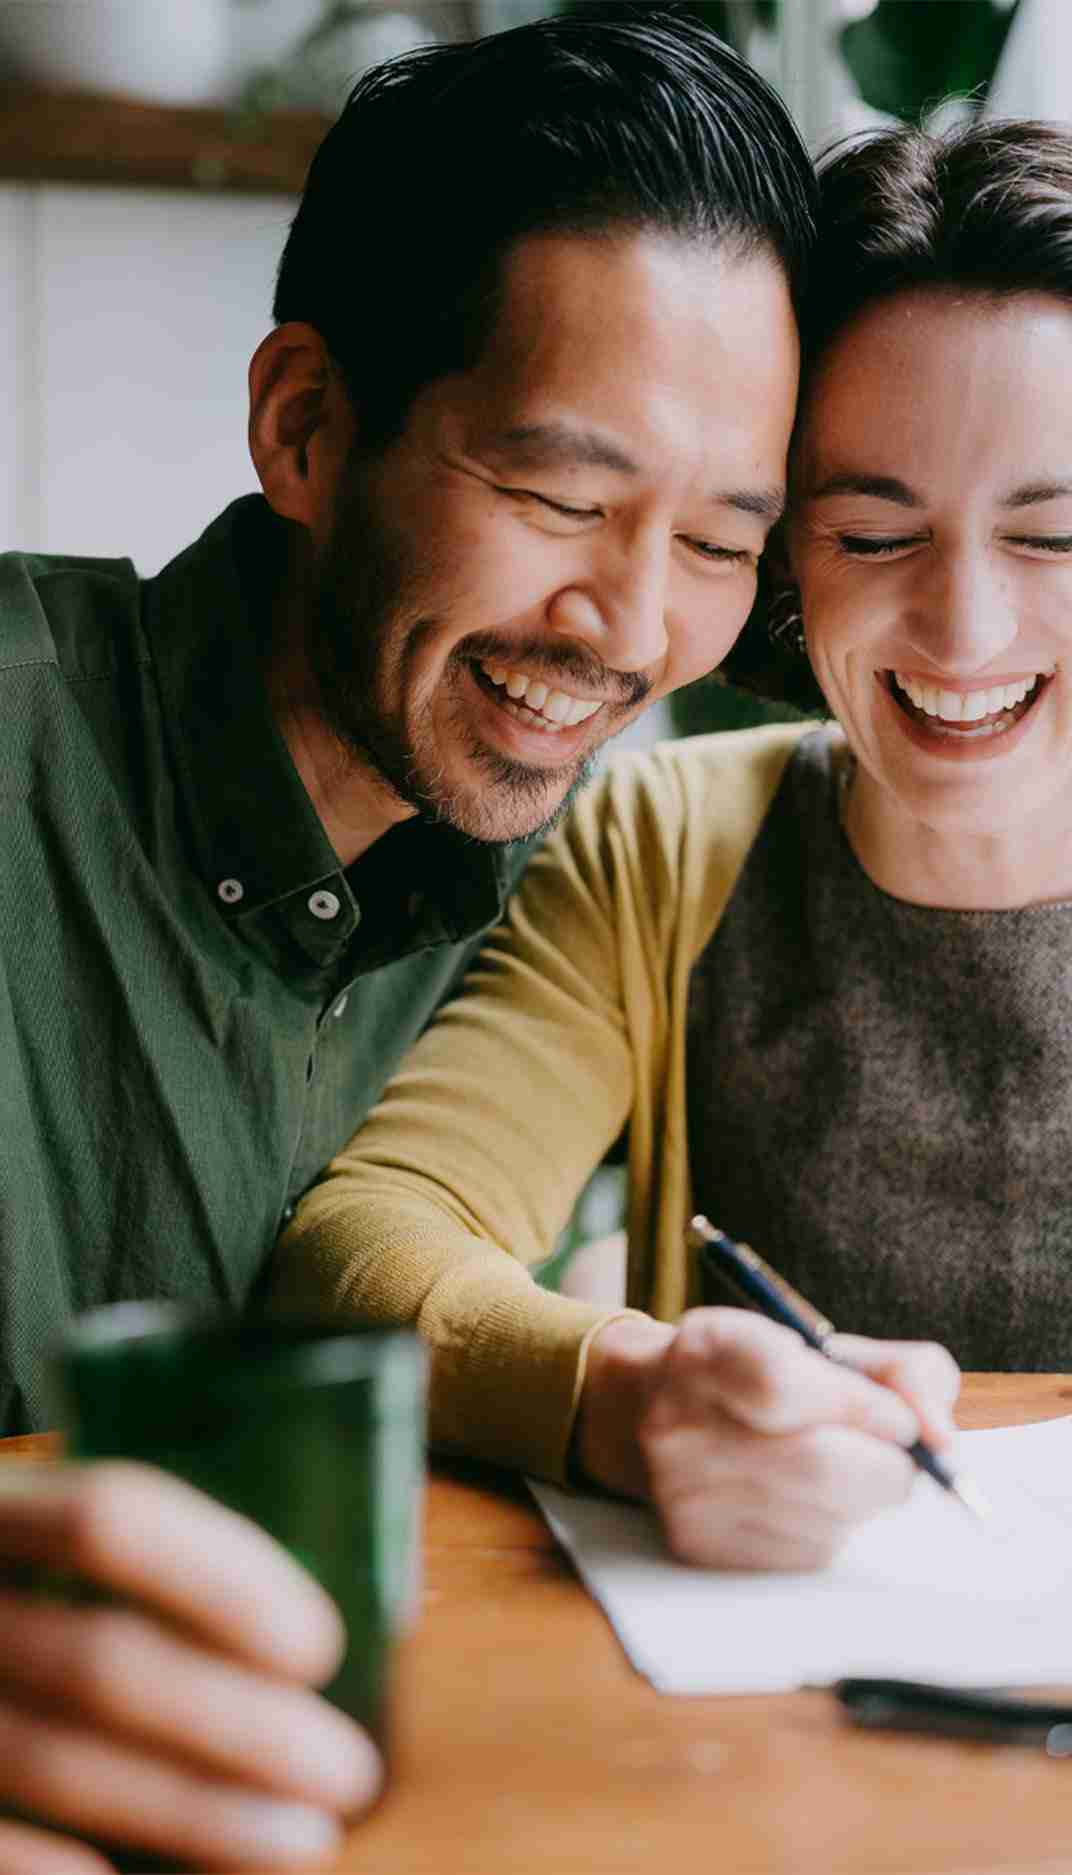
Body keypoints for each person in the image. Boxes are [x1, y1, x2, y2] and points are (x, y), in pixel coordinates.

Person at [275, 118, 1072, 1578]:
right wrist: (624, 1391)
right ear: (788, 551)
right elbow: (366, 1244)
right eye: (872, 535)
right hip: (800, 1685)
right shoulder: (659, 851)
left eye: (1049, 537)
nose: (962, 632)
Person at [0, 11, 816, 1867]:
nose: (632, 627)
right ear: (308, 426)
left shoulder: (590, 877)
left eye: (719, 543)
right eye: (560, 498)